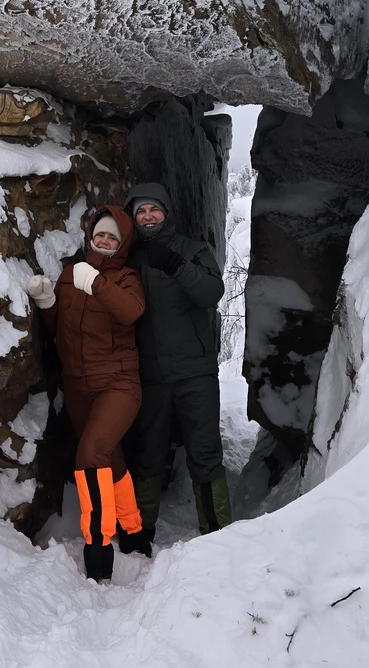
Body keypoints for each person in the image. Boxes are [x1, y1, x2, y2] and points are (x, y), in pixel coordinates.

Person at [26, 204, 145, 582]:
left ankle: (98, 551)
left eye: (113, 235)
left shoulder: (126, 278)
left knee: (91, 454)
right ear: (91, 235)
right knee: (111, 457)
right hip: (78, 385)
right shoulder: (67, 276)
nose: (105, 239)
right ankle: (133, 532)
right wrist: (46, 302)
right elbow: (58, 326)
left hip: (119, 383)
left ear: (122, 242)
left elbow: (131, 312)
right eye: (100, 234)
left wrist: (95, 282)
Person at [120, 181, 230, 555]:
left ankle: (218, 533)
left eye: (155, 209)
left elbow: (212, 293)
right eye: (141, 211)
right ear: (133, 217)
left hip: (194, 370)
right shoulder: (129, 257)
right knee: (148, 453)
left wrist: (178, 266)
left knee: (204, 451)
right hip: (150, 374)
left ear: (166, 212)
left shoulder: (192, 249)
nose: (148, 217)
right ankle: (139, 535)